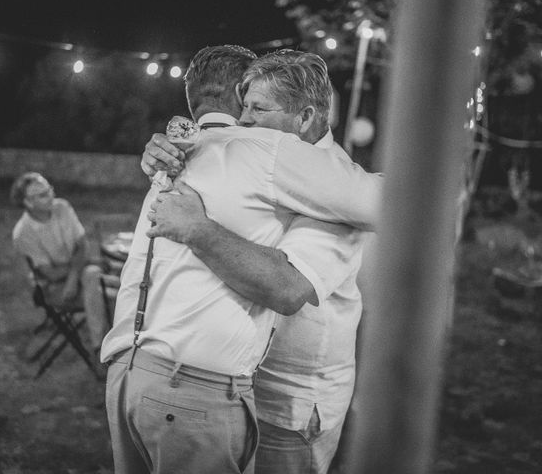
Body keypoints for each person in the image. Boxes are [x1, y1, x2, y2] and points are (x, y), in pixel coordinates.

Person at [100, 45, 382, 474]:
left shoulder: (333, 184)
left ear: (304, 117)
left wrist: (198, 228)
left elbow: (288, 289)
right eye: (243, 106)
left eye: (257, 109)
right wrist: (164, 157)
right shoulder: (252, 155)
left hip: (292, 399)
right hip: (225, 385)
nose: (244, 120)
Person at [10, 172, 111, 358]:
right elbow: (51, 274)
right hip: (53, 289)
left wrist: (73, 276)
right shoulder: (23, 233)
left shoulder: (62, 207)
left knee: (93, 275)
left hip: (78, 276)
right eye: (42, 194)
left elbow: (82, 245)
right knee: (107, 292)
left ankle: (100, 347)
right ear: (27, 203)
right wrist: (81, 264)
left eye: (49, 190)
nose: (50, 196)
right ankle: (104, 346)